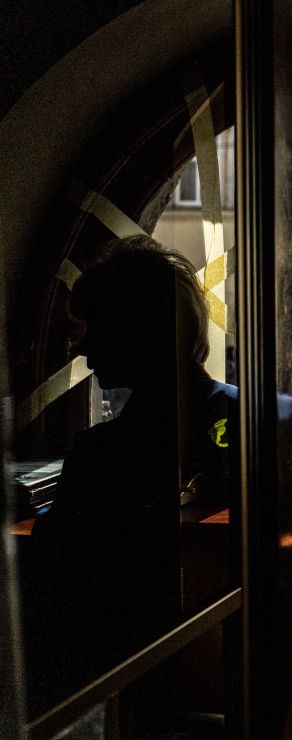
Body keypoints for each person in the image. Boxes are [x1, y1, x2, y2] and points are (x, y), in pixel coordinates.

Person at [23, 235, 239, 720]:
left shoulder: (104, 456)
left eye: (97, 327)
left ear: (138, 333)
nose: (82, 348)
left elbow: (50, 585)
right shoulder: (260, 420)